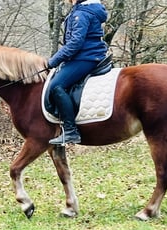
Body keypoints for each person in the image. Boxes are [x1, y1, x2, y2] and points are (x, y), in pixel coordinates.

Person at [47, 0, 108, 145]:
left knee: (56, 86)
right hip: (88, 55)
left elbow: (75, 43)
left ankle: (70, 131)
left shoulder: (81, 13)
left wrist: (53, 61)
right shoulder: (83, 10)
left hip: (85, 57)